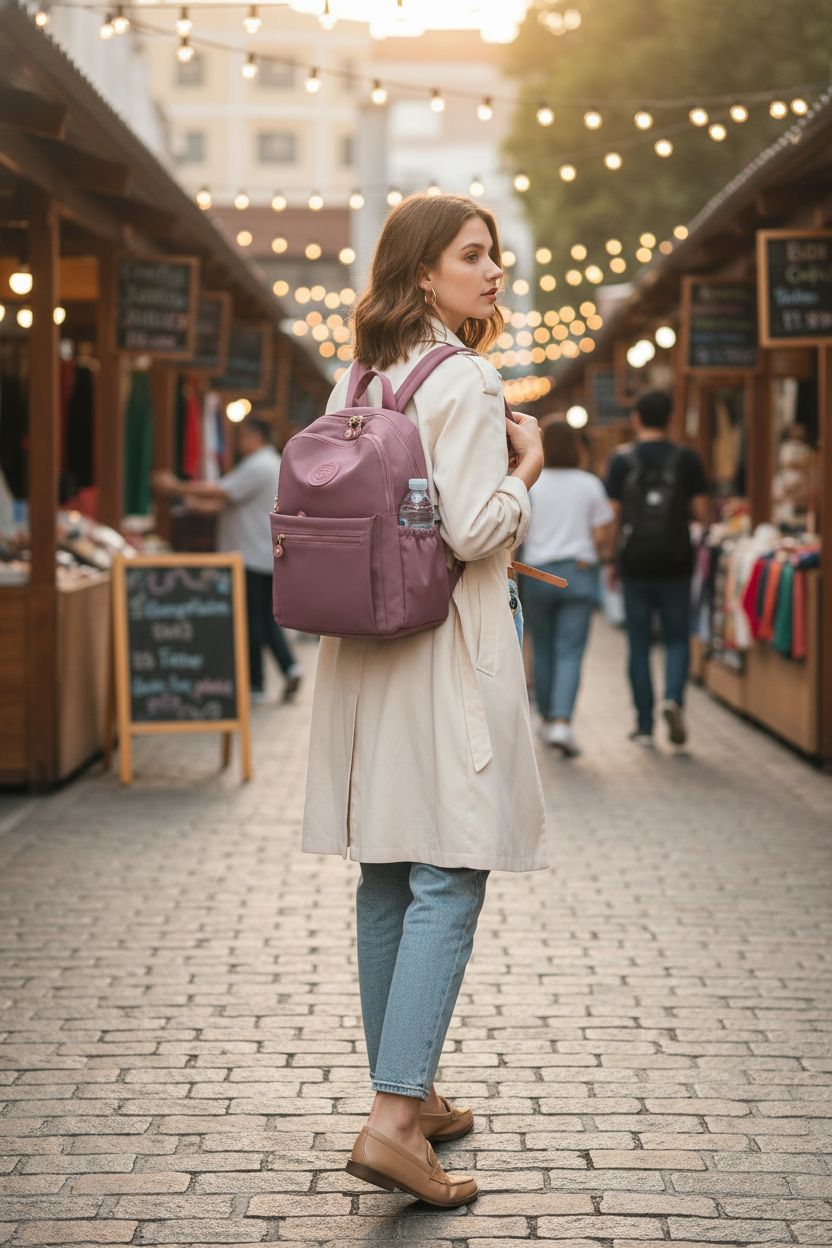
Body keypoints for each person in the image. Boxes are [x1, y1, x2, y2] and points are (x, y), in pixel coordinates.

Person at [303, 194, 547, 1208]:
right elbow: (473, 529)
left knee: (388, 874)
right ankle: (396, 1122)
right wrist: (527, 466)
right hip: (441, 650)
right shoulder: (468, 380)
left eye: (495, 256)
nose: (495, 272)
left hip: (367, 654)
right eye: (474, 256)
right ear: (421, 275)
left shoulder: (358, 376)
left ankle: (414, 1088)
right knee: (449, 871)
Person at [153, 418, 301, 705]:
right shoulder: (268, 463)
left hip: (250, 555)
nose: (238, 442)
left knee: (252, 622)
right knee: (262, 619)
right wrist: (189, 503)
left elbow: (220, 491)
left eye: (243, 435)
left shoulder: (259, 465)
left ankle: (257, 683)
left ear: (256, 436)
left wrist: (176, 487)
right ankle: (286, 669)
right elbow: (227, 502)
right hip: (260, 553)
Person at [605, 390, 709, 748]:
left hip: (635, 561)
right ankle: (674, 700)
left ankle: (645, 725)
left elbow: (614, 516)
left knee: (638, 643)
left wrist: (609, 559)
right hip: (676, 560)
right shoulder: (687, 459)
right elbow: (701, 512)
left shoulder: (622, 460)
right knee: (678, 637)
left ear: (637, 419)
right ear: (670, 418)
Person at [522, 421, 615, 757]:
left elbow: (518, 529)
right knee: (570, 651)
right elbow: (604, 534)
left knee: (542, 648)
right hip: (577, 573)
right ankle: (562, 721)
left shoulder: (532, 482)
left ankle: (547, 720)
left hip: (536, 573)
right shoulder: (589, 484)